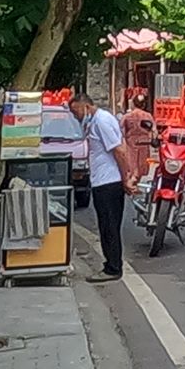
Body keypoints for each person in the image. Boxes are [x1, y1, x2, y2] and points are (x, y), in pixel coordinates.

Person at [67, 91, 135, 283]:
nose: (76, 116)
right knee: (106, 226)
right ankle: (111, 264)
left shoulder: (101, 121)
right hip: (103, 180)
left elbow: (120, 151)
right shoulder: (97, 120)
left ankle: (113, 268)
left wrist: (125, 178)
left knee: (109, 227)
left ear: (86, 106)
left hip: (108, 182)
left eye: (76, 111)